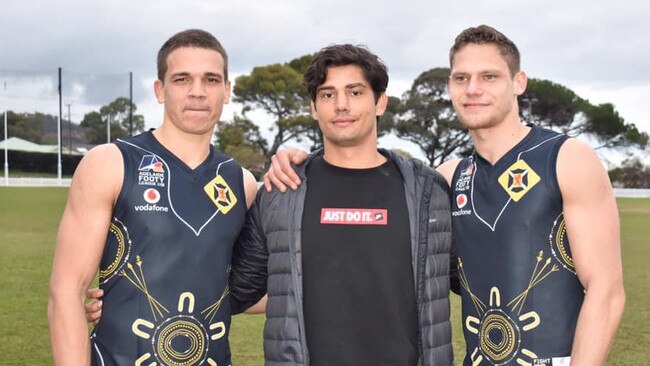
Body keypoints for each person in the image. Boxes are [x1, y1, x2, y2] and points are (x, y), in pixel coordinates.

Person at [265, 26, 625, 366]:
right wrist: (295, 160)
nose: (473, 89)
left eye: (489, 76)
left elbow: (606, 290)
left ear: (518, 82)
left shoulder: (566, 158)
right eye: (461, 78)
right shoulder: (447, 179)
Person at [229, 44, 455, 365]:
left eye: (355, 92)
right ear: (313, 108)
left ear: (380, 102)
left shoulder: (429, 192)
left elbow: (477, 279)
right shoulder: (282, 192)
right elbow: (236, 291)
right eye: (328, 94)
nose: (341, 105)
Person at [48, 29, 258, 366]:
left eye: (211, 80)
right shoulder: (110, 163)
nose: (197, 92)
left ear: (227, 90)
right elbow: (67, 290)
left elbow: (240, 290)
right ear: (160, 90)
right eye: (182, 79)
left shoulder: (241, 183)